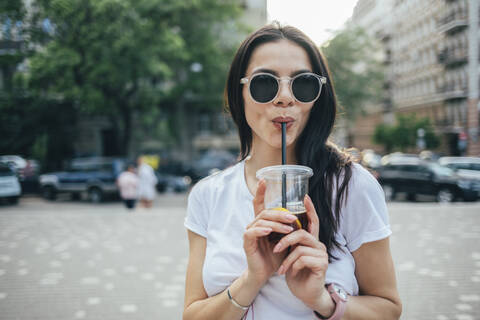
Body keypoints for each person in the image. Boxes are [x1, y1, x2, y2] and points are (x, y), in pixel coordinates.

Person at [183, 23, 402, 320]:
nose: (285, 97)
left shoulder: (351, 186)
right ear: (240, 92)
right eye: (265, 83)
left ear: (318, 97)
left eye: (303, 84)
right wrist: (252, 279)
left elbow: (388, 309)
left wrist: (322, 299)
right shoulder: (208, 195)